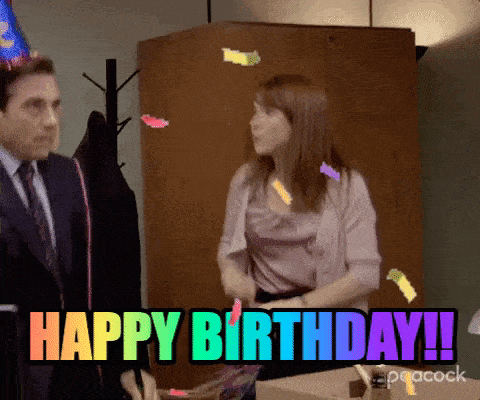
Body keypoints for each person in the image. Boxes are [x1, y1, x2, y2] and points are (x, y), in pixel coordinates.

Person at [0, 55, 154, 399]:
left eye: (55, 105)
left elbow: (106, 279)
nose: (51, 121)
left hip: (74, 372)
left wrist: (128, 361)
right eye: (34, 107)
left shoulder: (71, 175)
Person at [218, 74, 382, 396]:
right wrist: (230, 273)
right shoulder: (246, 181)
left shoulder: (346, 185)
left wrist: (294, 307)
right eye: (254, 111)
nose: (253, 123)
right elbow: (228, 246)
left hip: (327, 324)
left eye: (267, 113)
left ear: (301, 122)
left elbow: (365, 275)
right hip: (262, 322)